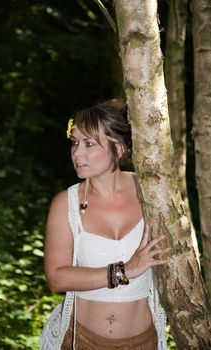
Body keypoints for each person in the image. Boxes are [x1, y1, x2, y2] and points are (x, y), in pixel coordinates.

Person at [43, 99, 170, 350]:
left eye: (89, 144)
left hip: (144, 342)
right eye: (75, 143)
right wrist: (125, 270)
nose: (77, 153)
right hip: (81, 340)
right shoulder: (65, 203)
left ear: (120, 148)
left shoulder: (152, 194)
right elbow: (56, 278)